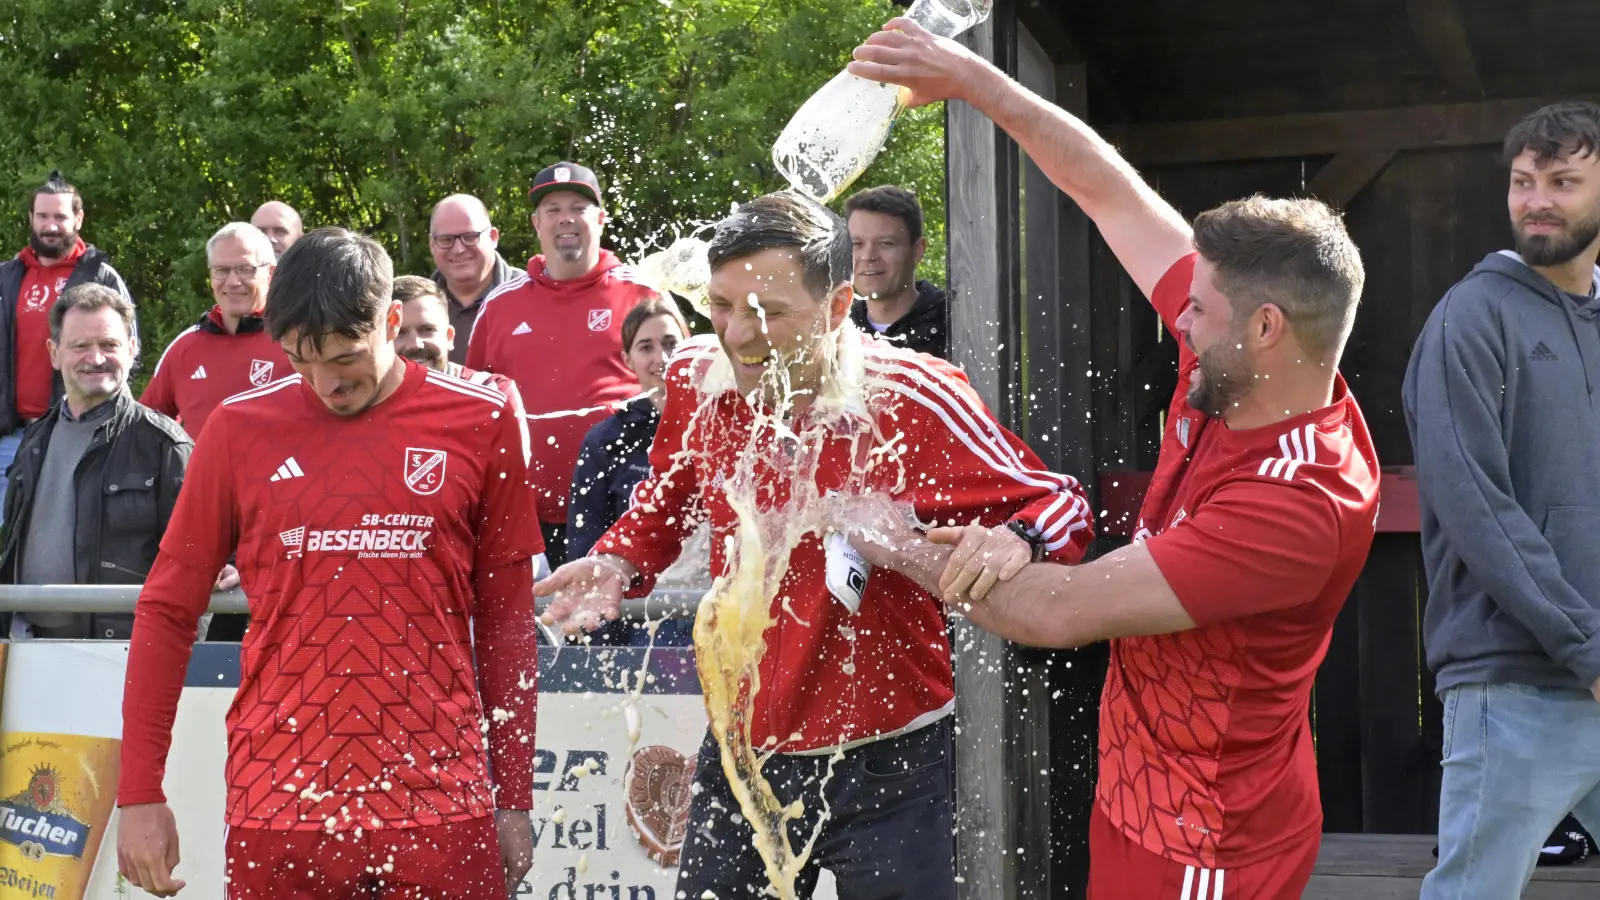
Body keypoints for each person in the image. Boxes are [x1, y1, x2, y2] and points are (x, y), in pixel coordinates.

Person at [846, 19, 1377, 900]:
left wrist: (884, 535)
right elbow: (1107, 193)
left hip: (1211, 844)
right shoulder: (1250, 366)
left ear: (1266, 327)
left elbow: (1056, 612)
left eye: (1198, 311)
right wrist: (975, 81)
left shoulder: (1298, 507)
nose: (1179, 319)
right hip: (1143, 798)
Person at [538, 191, 1095, 899]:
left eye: (768, 313)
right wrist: (620, 558)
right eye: (721, 306)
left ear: (837, 308)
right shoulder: (695, 376)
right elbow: (669, 491)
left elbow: (1062, 502)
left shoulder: (912, 394)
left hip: (893, 764)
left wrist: (1017, 537)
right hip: (743, 754)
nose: (738, 334)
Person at [115, 228, 542, 898]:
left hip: (440, 802)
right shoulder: (235, 428)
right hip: (280, 801)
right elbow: (168, 609)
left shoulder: (483, 418)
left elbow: (507, 622)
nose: (325, 385)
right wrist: (138, 792)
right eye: (299, 362)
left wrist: (514, 796)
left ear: (391, 321)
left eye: (345, 359)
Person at [1402, 101, 1600, 899]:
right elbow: (1475, 505)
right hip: (1513, 682)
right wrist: (1587, 647)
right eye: (1523, 182)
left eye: (1562, 181)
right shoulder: (1471, 317)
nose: (1537, 200)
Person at [467, 161, 658, 569]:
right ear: (536, 223)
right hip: (523, 515)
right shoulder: (500, 305)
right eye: (552, 209)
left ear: (601, 219)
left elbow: (678, 393)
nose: (565, 218)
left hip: (622, 508)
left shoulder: (644, 292)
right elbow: (473, 407)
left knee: (614, 629)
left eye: (578, 206)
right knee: (535, 630)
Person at [0, 284, 197, 640]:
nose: (96, 358)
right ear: (54, 353)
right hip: (25, 648)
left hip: (124, 651)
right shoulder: (32, 443)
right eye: (80, 346)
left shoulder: (166, 446)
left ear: (132, 349)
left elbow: (201, 570)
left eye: (110, 345)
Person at [0, 173, 135, 509]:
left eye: (60, 217)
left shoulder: (100, 276)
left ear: (78, 218)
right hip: (9, 435)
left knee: (64, 528)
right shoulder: (7, 276)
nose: (51, 226)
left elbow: (129, 351)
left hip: (75, 430)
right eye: (43, 216)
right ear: (31, 219)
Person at [566, 296, 689, 645]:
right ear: (627, 359)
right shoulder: (607, 439)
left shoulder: (720, 424)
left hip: (716, 604)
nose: (661, 358)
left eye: (670, 344)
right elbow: (586, 535)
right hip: (640, 615)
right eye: (645, 347)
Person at [140, 223, 290, 439]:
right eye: (222, 270)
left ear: (271, 274)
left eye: (245, 269)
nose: (232, 282)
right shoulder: (186, 347)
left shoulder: (297, 341)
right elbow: (143, 431)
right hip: (200, 474)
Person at [844, 184, 949, 359]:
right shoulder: (838, 330)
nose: (868, 256)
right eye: (857, 244)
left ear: (917, 251)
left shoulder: (953, 325)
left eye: (886, 243)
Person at [429, 194, 522, 361]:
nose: (458, 249)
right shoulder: (416, 308)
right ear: (432, 245)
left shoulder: (531, 295)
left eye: (470, 237)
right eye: (446, 239)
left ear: (493, 237)